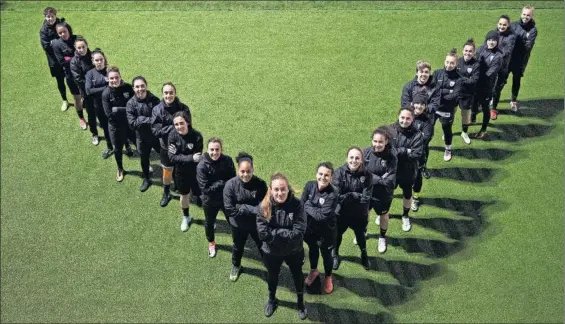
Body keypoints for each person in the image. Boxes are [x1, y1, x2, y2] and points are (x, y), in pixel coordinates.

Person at [256, 173, 307, 320]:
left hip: (294, 251)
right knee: (272, 276)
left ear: (288, 189)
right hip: (271, 252)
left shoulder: (297, 205)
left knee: (297, 276)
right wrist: (286, 232)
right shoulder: (264, 206)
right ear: (271, 190)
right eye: (276, 189)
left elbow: (298, 233)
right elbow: (262, 234)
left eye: (283, 189)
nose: (280, 193)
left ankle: (300, 302)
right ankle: (272, 299)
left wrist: (275, 232)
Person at [223, 152, 267, 282]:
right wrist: (253, 210)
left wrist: (243, 207)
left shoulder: (260, 184)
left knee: (263, 245)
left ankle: (270, 266)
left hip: (256, 224)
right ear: (238, 170)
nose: (245, 174)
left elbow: (263, 209)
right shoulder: (230, 186)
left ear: (253, 169)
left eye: (248, 171)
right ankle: (236, 266)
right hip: (238, 225)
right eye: (242, 171)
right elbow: (230, 210)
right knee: (238, 247)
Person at [151, 82, 192, 207]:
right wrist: (172, 128)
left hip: (181, 148)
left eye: (171, 93)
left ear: (175, 93)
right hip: (166, 148)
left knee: (181, 170)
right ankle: (166, 192)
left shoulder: (183, 108)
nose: (168, 95)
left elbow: (188, 128)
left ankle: (181, 188)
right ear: (162, 94)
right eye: (166, 93)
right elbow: (156, 130)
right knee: (167, 171)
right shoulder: (157, 110)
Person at [332, 147, 373, 269]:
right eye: (351, 157)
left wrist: (347, 196)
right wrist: (354, 195)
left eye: (357, 158)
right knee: (337, 235)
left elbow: (366, 198)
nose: (354, 160)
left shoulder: (367, 175)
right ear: (347, 158)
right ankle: (335, 255)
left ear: (361, 160)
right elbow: (336, 196)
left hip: (359, 214)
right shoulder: (338, 172)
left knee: (360, 236)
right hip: (341, 213)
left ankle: (364, 255)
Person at [302, 162, 339, 294]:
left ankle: (328, 276)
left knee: (327, 255)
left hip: (326, 232)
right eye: (320, 174)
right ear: (316, 174)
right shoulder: (309, 185)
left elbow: (322, 216)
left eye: (326, 175)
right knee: (312, 250)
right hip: (310, 230)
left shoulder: (333, 194)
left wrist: (308, 206)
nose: (323, 177)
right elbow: (301, 205)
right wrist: (308, 207)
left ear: (331, 177)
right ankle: (314, 271)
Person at [196, 137, 236, 257]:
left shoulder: (228, 160)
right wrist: (222, 183)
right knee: (209, 222)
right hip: (210, 201)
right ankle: (211, 242)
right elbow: (205, 189)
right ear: (207, 150)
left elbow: (233, 179)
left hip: (226, 198)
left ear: (221, 149)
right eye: (211, 149)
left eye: (217, 149)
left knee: (233, 220)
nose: (214, 152)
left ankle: (237, 240)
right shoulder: (201, 166)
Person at [167, 111, 204, 232]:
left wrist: (180, 156)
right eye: (176, 124)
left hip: (196, 173)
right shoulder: (172, 136)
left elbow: (197, 158)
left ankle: (208, 219)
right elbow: (172, 158)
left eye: (181, 123)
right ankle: (186, 217)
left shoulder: (197, 136)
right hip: (180, 173)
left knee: (201, 195)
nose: (179, 126)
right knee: (184, 196)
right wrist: (189, 158)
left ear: (187, 122)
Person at [388, 107, 423, 232]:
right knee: (388, 194)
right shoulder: (389, 130)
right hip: (392, 170)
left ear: (413, 119)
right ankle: (385, 213)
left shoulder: (417, 134)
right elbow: (386, 151)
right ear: (398, 116)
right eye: (402, 117)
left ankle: (405, 216)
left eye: (408, 118)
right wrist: (405, 150)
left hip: (408, 171)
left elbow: (416, 154)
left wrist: (397, 152)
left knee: (407, 195)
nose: (405, 120)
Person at [364, 128, 397, 253]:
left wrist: (370, 177)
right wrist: (379, 178)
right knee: (365, 213)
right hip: (367, 192)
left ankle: (382, 237)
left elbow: (389, 180)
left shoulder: (391, 158)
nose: (377, 144)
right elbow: (361, 173)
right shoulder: (365, 153)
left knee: (383, 215)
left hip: (383, 194)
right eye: (375, 141)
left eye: (380, 142)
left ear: (386, 141)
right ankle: (364, 231)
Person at [126, 76, 161, 192]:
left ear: (146, 86)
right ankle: (147, 178)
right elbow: (132, 124)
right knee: (144, 159)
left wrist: (141, 119)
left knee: (166, 157)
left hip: (156, 136)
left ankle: (174, 178)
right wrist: (148, 120)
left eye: (142, 86)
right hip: (141, 138)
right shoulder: (130, 104)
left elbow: (159, 120)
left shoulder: (155, 100)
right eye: (137, 86)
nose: (140, 89)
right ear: (133, 88)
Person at [101, 66, 135, 182]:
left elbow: (134, 105)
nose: (114, 80)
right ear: (107, 79)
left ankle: (144, 163)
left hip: (130, 123)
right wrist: (126, 109)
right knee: (117, 149)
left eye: (116, 77)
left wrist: (118, 109)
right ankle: (120, 168)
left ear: (120, 77)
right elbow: (109, 114)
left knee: (139, 144)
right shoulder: (106, 94)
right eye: (111, 78)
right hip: (115, 127)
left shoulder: (127, 88)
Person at [39, 7, 72, 112]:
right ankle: (65, 100)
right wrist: (58, 44)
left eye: (52, 16)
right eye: (48, 17)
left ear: (55, 15)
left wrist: (55, 42)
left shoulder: (62, 23)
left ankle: (80, 96)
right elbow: (46, 46)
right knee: (60, 81)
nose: (50, 18)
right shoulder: (43, 30)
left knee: (72, 78)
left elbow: (68, 35)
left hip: (67, 56)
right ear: (45, 17)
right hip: (55, 61)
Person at [432, 49, 462, 162]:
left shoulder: (459, 79)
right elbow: (432, 90)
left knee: (446, 130)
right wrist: (447, 91)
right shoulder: (437, 73)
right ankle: (422, 144)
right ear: (444, 61)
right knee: (428, 127)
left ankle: (448, 148)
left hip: (447, 110)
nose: (449, 65)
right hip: (434, 108)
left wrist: (440, 92)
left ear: (456, 64)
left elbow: (454, 96)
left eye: (452, 63)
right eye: (447, 62)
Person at [52, 22, 84, 126]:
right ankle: (81, 118)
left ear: (68, 30)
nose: (62, 34)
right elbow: (62, 62)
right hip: (71, 76)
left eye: (64, 31)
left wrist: (69, 58)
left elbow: (85, 53)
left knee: (87, 96)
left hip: (84, 73)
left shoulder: (77, 39)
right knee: (77, 98)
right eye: (59, 33)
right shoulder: (56, 44)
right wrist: (76, 56)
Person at [473, 31, 503, 139]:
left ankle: (484, 129)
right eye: (489, 39)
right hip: (476, 84)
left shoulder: (498, 56)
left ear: (497, 41)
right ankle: (473, 116)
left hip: (487, 86)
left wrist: (475, 77)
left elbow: (491, 72)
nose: (491, 42)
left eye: (494, 40)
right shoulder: (481, 49)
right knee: (473, 102)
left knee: (485, 108)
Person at [486, 15, 517, 118]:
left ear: (508, 25)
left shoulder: (511, 37)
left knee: (497, 88)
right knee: (487, 86)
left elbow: (507, 52)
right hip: (491, 66)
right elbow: (486, 46)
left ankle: (493, 109)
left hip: (502, 68)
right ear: (497, 24)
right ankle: (485, 103)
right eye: (500, 24)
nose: (502, 26)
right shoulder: (492, 34)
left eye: (504, 24)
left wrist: (494, 55)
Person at [85, 49, 113, 158]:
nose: (99, 62)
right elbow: (88, 90)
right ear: (93, 61)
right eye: (96, 60)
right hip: (99, 107)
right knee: (106, 127)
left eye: (101, 59)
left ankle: (127, 146)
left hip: (112, 104)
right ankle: (110, 147)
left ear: (104, 59)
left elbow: (117, 83)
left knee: (120, 125)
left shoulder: (110, 71)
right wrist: (106, 87)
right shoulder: (90, 74)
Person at [509, 6, 538, 111]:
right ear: (521, 14)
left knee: (516, 80)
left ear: (531, 16)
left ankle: (513, 100)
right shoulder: (513, 25)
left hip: (520, 60)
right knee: (500, 79)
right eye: (524, 14)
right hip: (508, 58)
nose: (526, 17)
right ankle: (493, 100)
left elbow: (528, 46)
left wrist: (514, 43)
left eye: (528, 15)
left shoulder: (533, 30)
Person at [70, 36, 98, 143]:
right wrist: (93, 85)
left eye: (83, 47)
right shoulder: (74, 62)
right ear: (75, 48)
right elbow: (78, 79)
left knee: (104, 112)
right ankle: (94, 134)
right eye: (79, 48)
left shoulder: (94, 56)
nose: (81, 50)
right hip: (88, 92)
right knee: (91, 115)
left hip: (100, 90)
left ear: (87, 45)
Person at [411, 94, 433, 212]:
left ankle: (415, 199)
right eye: (417, 103)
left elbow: (427, 137)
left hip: (419, 156)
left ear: (425, 107)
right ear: (412, 104)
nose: (419, 106)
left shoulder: (427, 121)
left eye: (422, 104)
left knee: (417, 178)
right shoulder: (407, 116)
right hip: (405, 156)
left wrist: (409, 140)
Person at [456, 38, 480, 144]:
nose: (468, 53)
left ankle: (464, 133)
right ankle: (448, 132)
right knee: (450, 114)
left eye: (470, 51)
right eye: (466, 50)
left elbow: (473, 81)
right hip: (455, 93)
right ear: (462, 50)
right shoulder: (457, 61)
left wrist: (460, 78)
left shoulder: (476, 65)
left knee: (466, 116)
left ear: (474, 52)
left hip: (467, 95)